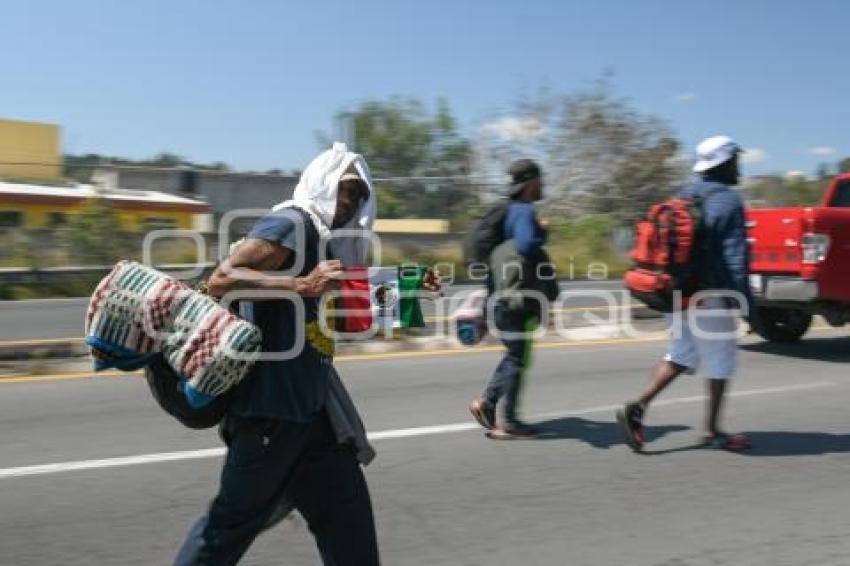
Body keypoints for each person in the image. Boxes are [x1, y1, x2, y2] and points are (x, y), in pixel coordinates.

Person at [175, 144, 382, 565]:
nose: (350, 202)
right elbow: (221, 279)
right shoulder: (294, 223)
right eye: (345, 189)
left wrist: (408, 294)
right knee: (225, 533)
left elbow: (330, 320)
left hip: (314, 419)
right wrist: (300, 286)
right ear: (321, 183)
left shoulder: (326, 244)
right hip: (269, 416)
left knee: (351, 530)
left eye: (359, 195)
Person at [616, 135, 753, 452]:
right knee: (720, 360)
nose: (738, 167)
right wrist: (745, 302)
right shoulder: (729, 201)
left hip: (674, 291)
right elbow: (735, 258)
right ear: (725, 163)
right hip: (708, 296)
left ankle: (637, 407)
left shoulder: (684, 194)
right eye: (736, 161)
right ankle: (712, 430)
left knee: (681, 353)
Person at [469, 159, 551, 439]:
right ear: (530, 183)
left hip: (499, 295)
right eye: (540, 179)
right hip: (514, 298)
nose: (543, 184)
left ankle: (505, 416)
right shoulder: (524, 212)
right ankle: (495, 408)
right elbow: (527, 244)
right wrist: (543, 231)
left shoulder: (506, 213)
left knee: (516, 356)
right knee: (516, 357)